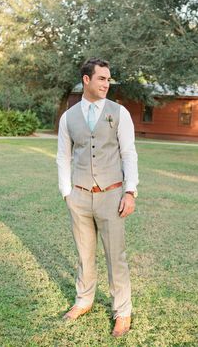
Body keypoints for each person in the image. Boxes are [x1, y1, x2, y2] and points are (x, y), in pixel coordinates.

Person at [56, 57, 139, 338]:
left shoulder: (120, 112)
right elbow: (63, 156)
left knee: (116, 257)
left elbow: (128, 153)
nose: (107, 84)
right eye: (102, 78)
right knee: (84, 254)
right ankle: (84, 300)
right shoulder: (69, 117)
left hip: (111, 194)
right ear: (86, 80)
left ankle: (122, 311)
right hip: (79, 196)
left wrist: (130, 191)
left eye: (109, 79)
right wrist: (66, 192)